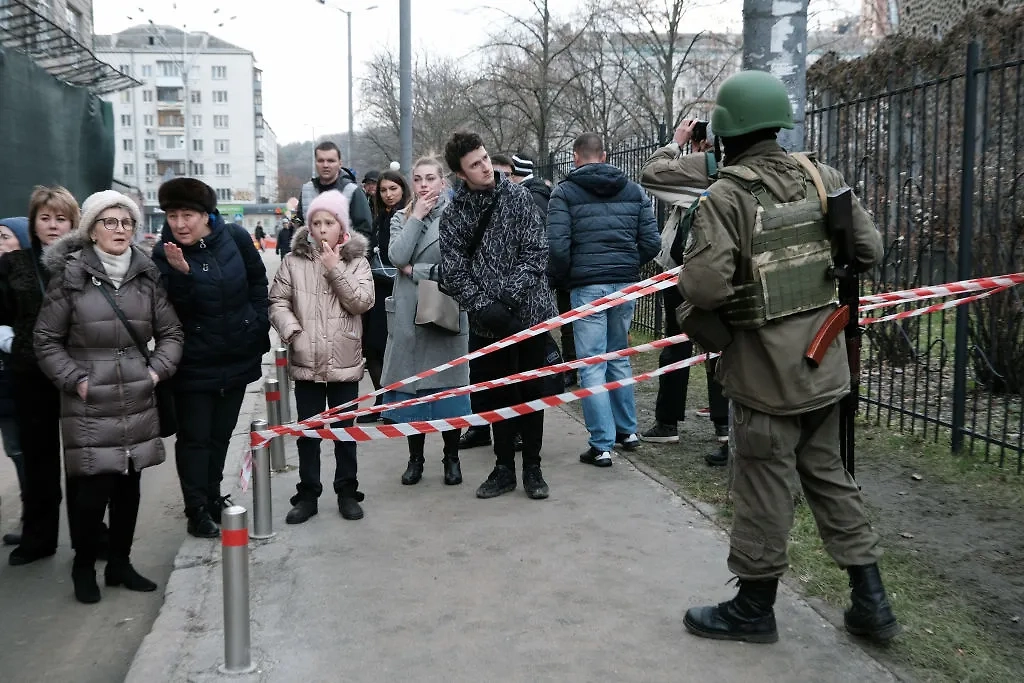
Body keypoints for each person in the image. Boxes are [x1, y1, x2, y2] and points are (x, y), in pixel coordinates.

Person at [677, 70, 899, 645]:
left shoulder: (727, 196)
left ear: (726, 134)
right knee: (829, 475)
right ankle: (872, 602)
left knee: (763, 485)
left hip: (764, 377)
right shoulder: (821, 177)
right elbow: (869, 250)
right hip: (824, 362)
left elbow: (703, 288)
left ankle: (754, 609)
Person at [34, 190, 184, 603]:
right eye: (110, 222)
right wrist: (76, 380)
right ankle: (84, 567)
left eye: (127, 222)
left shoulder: (146, 275)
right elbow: (46, 340)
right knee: (91, 494)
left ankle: (120, 564)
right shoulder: (71, 276)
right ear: (92, 230)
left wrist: (156, 371)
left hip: (136, 396)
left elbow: (171, 332)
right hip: (89, 402)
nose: (120, 230)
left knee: (128, 490)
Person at [439, 131, 556, 501]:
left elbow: (537, 251)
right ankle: (503, 468)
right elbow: (453, 272)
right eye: (475, 164)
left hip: (529, 313)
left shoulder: (518, 196)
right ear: (461, 173)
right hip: (486, 324)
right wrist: (483, 307)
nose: (486, 167)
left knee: (532, 391)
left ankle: (533, 468)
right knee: (497, 395)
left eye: (486, 158)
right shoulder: (454, 214)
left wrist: (507, 298)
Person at [152, 178, 271, 539]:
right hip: (193, 362)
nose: (179, 224)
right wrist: (183, 276)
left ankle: (213, 494)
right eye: (172, 215)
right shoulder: (164, 253)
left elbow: (257, 281)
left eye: (187, 215)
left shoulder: (235, 238)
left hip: (235, 354)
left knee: (221, 435)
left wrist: (257, 322)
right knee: (195, 438)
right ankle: (196, 509)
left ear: (207, 215)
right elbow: (168, 312)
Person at [547, 133, 660, 466]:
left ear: (575, 157)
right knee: (618, 356)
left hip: (587, 286)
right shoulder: (634, 190)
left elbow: (557, 247)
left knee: (592, 364)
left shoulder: (564, 193)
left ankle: (601, 444)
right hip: (624, 284)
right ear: (605, 155)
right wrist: (626, 263)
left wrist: (567, 277)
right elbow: (652, 243)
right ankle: (627, 432)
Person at [269, 190, 373, 524]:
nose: (323, 228)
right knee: (308, 433)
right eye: (316, 222)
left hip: (344, 359)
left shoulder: (356, 260)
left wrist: (334, 269)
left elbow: (361, 302)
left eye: (329, 222)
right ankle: (308, 494)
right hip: (307, 359)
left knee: (344, 432)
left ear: (341, 225)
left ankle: (347, 491)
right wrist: (294, 334)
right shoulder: (293, 261)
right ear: (309, 227)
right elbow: (278, 302)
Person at [639, 120, 731, 463]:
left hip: (685, 272)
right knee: (720, 343)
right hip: (722, 269)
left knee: (676, 343)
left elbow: (651, 173)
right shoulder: (735, 170)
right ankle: (724, 423)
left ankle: (667, 422)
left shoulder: (702, 166)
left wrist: (675, 143)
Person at [0, 187, 78, 566]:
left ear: (74, 223)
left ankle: (91, 535)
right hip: (30, 375)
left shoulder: (86, 262)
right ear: (33, 223)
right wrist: (12, 341)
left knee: (84, 461)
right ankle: (38, 538)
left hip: (78, 374)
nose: (52, 225)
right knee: (38, 461)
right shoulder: (14, 264)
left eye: (61, 218)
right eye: (45, 218)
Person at [382, 157, 470, 487]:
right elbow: (396, 257)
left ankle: (451, 457)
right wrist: (416, 217)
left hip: (443, 311)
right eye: (418, 179)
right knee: (413, 392)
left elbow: (457, 267)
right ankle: (415, 459)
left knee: (448, 390)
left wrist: (415, 272)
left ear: (443, 182)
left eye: (430, 178)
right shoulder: (402, 217)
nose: (423, 185)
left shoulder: (457, 216)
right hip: (409, 314)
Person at [510, 152, 577, 387]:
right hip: (556, 268)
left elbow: (539, 238)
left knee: (557, 328)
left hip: (545, 271)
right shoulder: (541, 192)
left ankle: (561, 369)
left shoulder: (531, 196)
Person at [358, 169, 410, 424]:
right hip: (376, 288)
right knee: (373, 348)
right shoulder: (379, 217)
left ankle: (394, 404)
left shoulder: (408, 216)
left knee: (393, 349)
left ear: (402, 190)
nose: (388, 194)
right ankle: (382, 401)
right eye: (383, 190)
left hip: (399, 288)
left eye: (393, 189)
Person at [0, 216, 30, 546]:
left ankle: (31, 517)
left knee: (20, 451)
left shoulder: (27, 281)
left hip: (16, 383)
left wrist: (9, 340)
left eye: (5, 236)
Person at [295, 141, 373, 239]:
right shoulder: (306, 190)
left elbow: (365, 232)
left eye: (331, 161)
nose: (325, 165)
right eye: (321, 161)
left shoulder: (353, 191)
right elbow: (300, 227)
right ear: (315, 163)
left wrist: (343, 247)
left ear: (340, 163)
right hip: (311, 248)